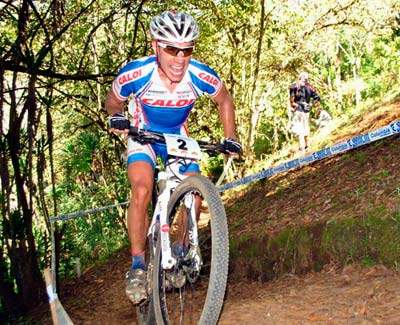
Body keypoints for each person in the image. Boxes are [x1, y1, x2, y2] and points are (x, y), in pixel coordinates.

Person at [104, 10, 241, 304]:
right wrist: (116, 119)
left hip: (177, 136)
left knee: (195, 187)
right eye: (171, 49)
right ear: (156, 46)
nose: (180, 59)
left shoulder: (199, 75)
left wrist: (231, 138)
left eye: (187, 50)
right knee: (141, 188)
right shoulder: (136, 74)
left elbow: (224, 99)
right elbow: (113, 102)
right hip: (143, 134)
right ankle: (138, 265)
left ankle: (181, 248)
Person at [289, 72, 320, 152]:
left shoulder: (295, 86)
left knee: (298, 128)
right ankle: (307, 145)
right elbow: (317, 97)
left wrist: (293, 105)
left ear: (300, 77)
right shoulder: (310, 87)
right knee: (305, 127)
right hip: (306, 110)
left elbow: (292, 100)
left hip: (298, 110)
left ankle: (301, 147)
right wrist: (310, 104)